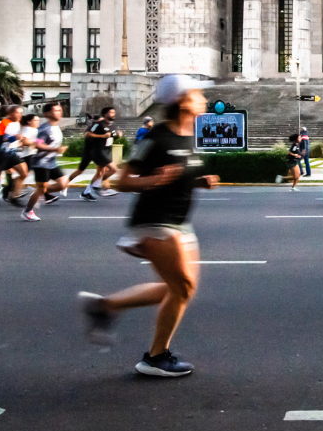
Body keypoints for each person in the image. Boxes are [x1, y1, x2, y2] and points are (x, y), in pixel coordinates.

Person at [77, 74, 220, 378]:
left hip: (180, 222)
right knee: (182, 287)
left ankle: (106, 307)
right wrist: (156, 179)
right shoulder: (157, 138)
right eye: (197, 94)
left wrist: (198, 180)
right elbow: (122, 180)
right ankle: (155, 356)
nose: (203, 99)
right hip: (154, 221)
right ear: (181, 102)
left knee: (180, 289)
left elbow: (178, 174)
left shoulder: (186, 136)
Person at [23, 102, 69, 221]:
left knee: (63, 184)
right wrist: (55, 149)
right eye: (56, 110)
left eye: (60, 110)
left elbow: (54, 142)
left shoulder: (56, 127)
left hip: (51, 162)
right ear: (48, 113)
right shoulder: (44, 129)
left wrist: (59, 149)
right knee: (42, 189)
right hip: (41, 163)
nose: (60, 112)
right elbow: (37, 145)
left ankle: (38, 192)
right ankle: (27, 211)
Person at [69, 106, 120, 201]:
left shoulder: (111, 126)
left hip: (107, 151)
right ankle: (98, 186)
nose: (114, 114)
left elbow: (112, 136)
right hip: (99, 151)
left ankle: (86, 192)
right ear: (105, 114)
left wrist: (118, 135)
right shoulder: (98, 124)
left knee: (100, 173)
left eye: (114, 112)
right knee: (113, 169)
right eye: (111, 113)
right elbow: (87, 134)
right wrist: (102, 136)